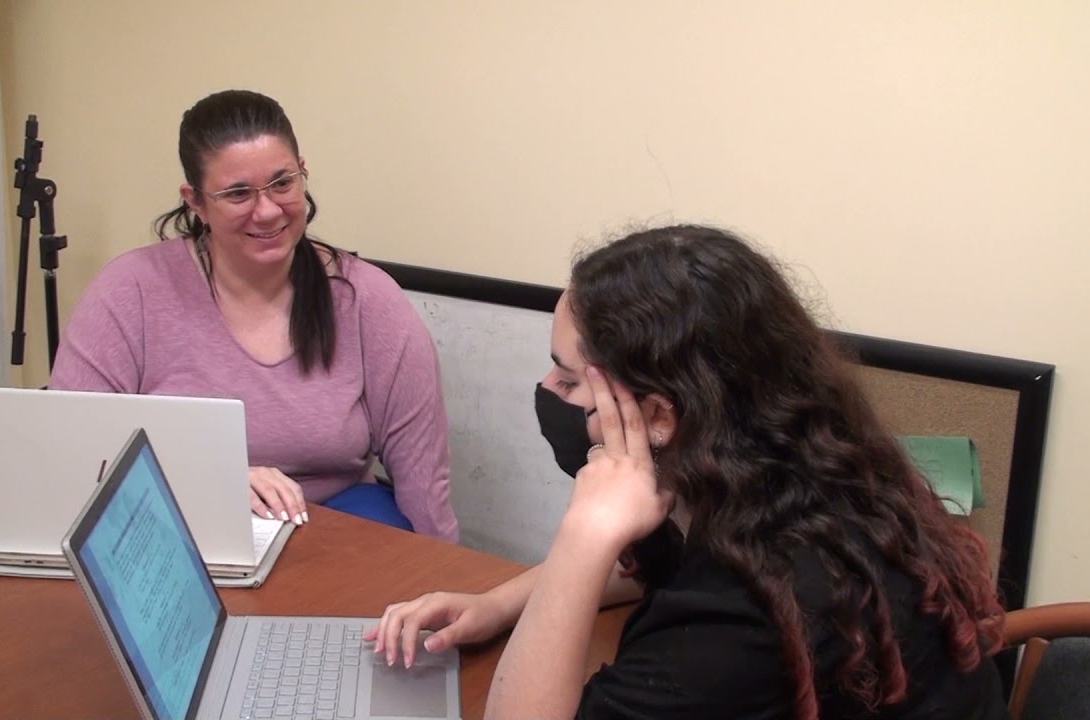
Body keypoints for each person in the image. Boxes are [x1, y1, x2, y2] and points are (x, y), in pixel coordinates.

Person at [366, 225, 1006, 718]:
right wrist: (497, 604)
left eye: (567, 376)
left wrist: (584, 533)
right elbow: (650, 568)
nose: (547, 388)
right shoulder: (778, 480)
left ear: (659, 416)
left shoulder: (749, 618)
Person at [49, 89, 459, 542]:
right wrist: (210, 479)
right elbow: (75, 446)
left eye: (283, 183)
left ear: (303, 172)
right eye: (238, 193)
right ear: (196, 201)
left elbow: (424, 480)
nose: (266, 211)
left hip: (331, 526)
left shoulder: (367, 298)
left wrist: (446, 591)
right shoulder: (129, 291)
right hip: (178, 528)